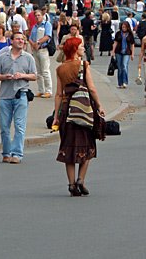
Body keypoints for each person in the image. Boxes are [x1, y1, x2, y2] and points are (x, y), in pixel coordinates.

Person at [53, 37, 104, 195]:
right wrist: (99, 105)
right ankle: (81, 179)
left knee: (67, 147)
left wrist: (56, 116)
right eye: (81, 46)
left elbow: (59, 95)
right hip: (84, 109)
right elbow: (92, 88)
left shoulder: (60, 69)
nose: (83, 48)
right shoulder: (83, 64)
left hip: (67, 111)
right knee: (87, 145)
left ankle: (71, 184)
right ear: (75, 50)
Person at [0, 31, 37, 164]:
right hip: (5, 96)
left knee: (19, 126)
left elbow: (34, 76)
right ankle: (6, 153)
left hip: (21, 94)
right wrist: (4, 76)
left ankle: (17, 154)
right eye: (18, 39)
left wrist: (23, 76)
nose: (21, 41)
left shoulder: (28, 57)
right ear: (11, 41)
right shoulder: (3, 56)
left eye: (23, 39)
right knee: (4, 127)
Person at [29, 9, 54, 99]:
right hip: (36, 50)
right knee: (38, 71)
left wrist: (38, 43)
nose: (37, 17)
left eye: (39, 15)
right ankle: (41, 90)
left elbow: (48, 36)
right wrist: (33, 44)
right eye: (36, 15)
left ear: (42, 15)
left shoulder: (47, 24)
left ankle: (48, 90)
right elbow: (30, 37)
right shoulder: (34, 27)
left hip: (43, 49)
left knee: (45, 70)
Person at [112, 20, 135, 89]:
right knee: (120, 68)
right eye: (123, 27)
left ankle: (125, 82)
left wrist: (132, 53)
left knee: (124, 66)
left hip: (127, 52)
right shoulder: (118, 33)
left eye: (125, 27)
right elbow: (115, 42)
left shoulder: (130, 34)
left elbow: (132, 44)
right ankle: (120, 83)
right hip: (118, 52)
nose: (123, 28)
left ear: (127, 27)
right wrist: (113, 51)